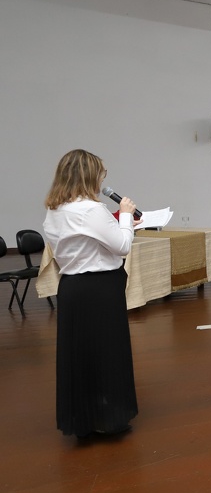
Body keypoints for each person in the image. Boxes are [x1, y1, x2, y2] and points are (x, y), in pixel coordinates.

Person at [42, 149, 138, 439]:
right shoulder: (91, 209)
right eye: (101, 173)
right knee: (107, 353)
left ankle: (82, 419)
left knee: (79, 355)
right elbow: (121, 246)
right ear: (89, 175)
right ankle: (109, 419)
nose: (102, 179)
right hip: (100, 289)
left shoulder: (55, 209)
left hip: (71, 287)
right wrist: (126, 216)